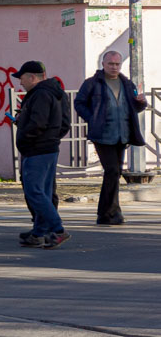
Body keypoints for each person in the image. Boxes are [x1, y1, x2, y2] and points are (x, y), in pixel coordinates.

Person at [73, 51, 148, 226]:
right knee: (112, 171)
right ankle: (111, 212)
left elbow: (134, 108)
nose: (114, 67)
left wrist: (141, 102)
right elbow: (79, 103)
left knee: (114, 173)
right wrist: (92, 118)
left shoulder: (127, 84)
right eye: (111, 64)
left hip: (122, 135)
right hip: (102, 134)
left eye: (117, 64)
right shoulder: (92, 83)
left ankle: (106, 213)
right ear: (103, 64)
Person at [12, 60, 70, 249]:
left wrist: (25, 134)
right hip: (49, 148)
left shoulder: (40, 94)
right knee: (43, 192)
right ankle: (38, 232)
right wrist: (52, 138)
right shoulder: (55, 93)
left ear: (32, 77)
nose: (20, 83)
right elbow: (64, 123)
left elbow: (38, 122)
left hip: (37, 149)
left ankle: (58, 230)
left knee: (34, 191)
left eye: (22, 78)